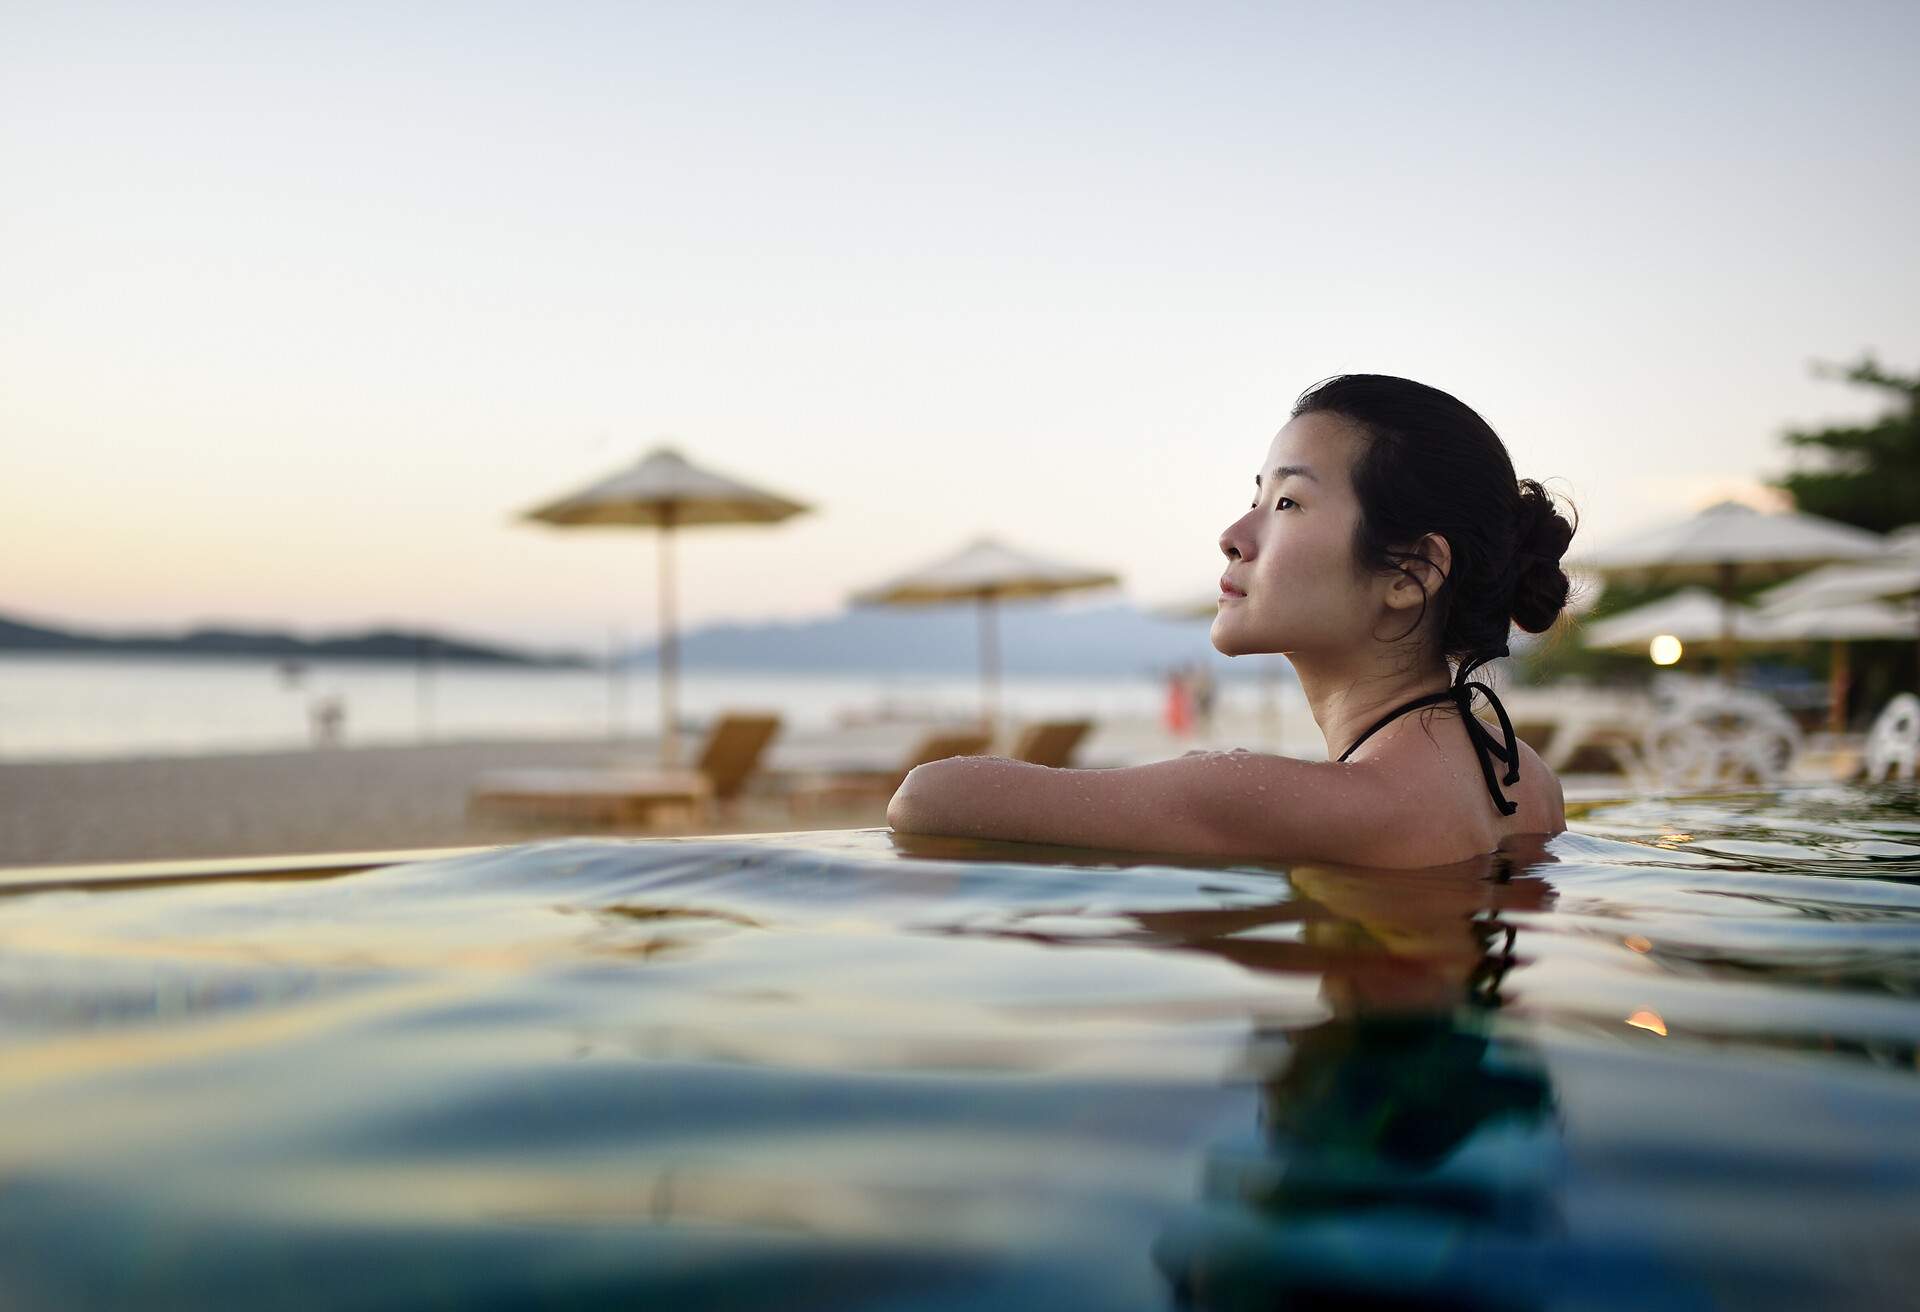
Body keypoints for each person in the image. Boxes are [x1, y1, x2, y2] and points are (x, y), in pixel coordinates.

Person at [887, 374, 1576, 868]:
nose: (1233, 533)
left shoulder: (1302, 802)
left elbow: (926, 797)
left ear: (1411, 573)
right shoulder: (1528, 780)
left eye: (1288, 503)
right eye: (1257, 495)